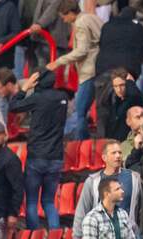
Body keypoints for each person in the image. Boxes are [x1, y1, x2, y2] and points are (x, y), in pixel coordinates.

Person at [8, 70, 68, 230]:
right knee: (49, 202)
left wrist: (24, 88)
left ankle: (34, 236)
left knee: (32, 201)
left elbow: (13, 106)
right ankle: (55, 238)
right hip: (56, 157)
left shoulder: (37, 98)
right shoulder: (63, 98)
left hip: (36, 156)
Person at [45, 0, 102, 141]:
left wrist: (58, 62)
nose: (64, 20)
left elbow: (81, 51)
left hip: (89, 71)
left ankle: (80, 143)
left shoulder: (81, 23)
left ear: (70, 13)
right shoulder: (92, 17)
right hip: (99, 67)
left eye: (64, 17)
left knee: (80, 112)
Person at [74, 140, 143, 239]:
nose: (118, 156)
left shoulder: (134, 178)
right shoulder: (93, 182)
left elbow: (142, 208)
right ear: (104, 157)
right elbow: (82, 211)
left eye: (120, 153)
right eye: (113, 153)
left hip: (129, 238)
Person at [94, 7, 143, 80]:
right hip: (127, 69)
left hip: (103, 67)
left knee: (105, 90)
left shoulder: (107, 26)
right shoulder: (137, 27)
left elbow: (101, 44)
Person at [98, 69, 143, 140]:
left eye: (122, 85)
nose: (119, 90)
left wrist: (130, 82)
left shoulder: (133, 100)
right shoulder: (115, 101)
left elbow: (135, 96)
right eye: (115, 86)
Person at [30, 0, 70, 69]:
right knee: (42, 71)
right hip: (42, 39)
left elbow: (52, 10)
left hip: (55, 40)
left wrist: (39, 24)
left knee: (53, 72)